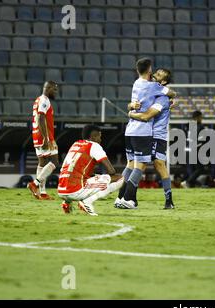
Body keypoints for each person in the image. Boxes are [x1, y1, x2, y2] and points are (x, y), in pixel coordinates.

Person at [116, 58, 176, 209]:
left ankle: (168, 201)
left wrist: (130, 113)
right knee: (138, 165)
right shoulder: (151, 89)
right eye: (156, 71)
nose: (156, 73)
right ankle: (126, 198)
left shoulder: (161, 97)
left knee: (158, 165)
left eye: (160, 74)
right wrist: (130, 106)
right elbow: (135, 104)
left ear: (163, 82)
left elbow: (147, 115)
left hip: (157, 135)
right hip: (145, 132)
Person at [57, 125, 124, 216]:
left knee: (80, 177)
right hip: (74, 190)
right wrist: (101, 177)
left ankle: (67, 202)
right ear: (93, 137)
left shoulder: (76, 144)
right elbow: (111, 171)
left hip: (61, 189)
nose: (100, 140)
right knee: (120, 178)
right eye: (99, 137)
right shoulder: (94, 146)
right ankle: (87, 202)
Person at [27, 81, 60, 200]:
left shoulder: (38, 99)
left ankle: (42, 192)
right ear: (49, 88)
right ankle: (34, 184)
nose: (56, 92)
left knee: (42, 163)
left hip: (36, 134)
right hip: (44, 135)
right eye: (54, 89)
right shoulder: (45, 100)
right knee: (55, 162)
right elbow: (41, 117)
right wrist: (46, 137)